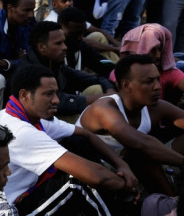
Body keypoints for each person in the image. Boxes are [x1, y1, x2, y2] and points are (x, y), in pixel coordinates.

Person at [0, 64, 137, 216]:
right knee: (82, 184)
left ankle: (116, 213)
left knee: (76, 142)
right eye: (48, 94)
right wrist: (125, 185)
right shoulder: (21, 132)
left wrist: (123, 165)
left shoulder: (21, 115)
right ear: (25, 95)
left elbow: (85, 135)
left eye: (56, 94)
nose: (56, 101)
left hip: (25, 198)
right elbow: (95, 176)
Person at [79, 54, 184, 193]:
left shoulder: (156, 107)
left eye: (158, 80)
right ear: (126, 85)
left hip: (134, 168)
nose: (158, 87)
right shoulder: (104, 108)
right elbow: (140, 143)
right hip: (100, 174)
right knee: (138, 152)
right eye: (149, 82)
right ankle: (170, 202)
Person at [17, 21, 114, 120]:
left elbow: (94, 79)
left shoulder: (56, 64)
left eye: (64, 42)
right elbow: (56, 102)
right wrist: (106, 97)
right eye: (58, 43)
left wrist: (110, 90)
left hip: (56, 117)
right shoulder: (29, 72)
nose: (64, 47)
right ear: (42, 47)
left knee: (97, 88)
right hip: (37, 122)